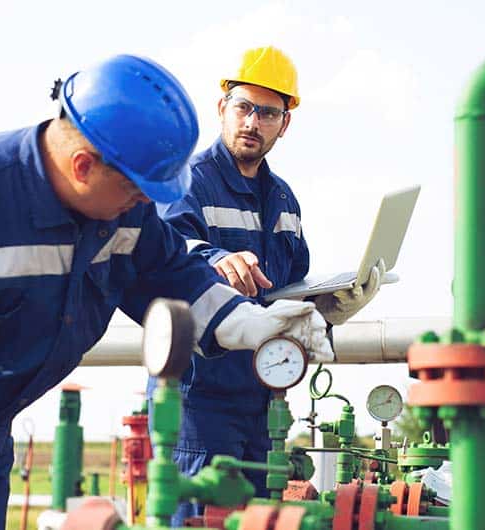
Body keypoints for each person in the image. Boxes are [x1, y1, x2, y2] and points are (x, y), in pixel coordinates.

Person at [0, 54, 333, 530]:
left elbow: (176, 277)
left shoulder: (120, 208)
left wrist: (254, 324)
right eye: (137, 190)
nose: (142, 205)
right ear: (83, 166)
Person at [153, 46, 383, 524]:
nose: (252, 122)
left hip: (265, 397)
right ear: (222, 108)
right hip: (199, 400)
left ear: (285, 123)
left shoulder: (284, 200)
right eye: (243, 107)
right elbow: (166, 254)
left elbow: (289, 285)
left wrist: (332, 306)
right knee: (201, 519)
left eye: (268, 112)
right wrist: (219, 258)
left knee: (259, 519)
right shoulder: (189, 183)